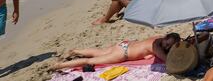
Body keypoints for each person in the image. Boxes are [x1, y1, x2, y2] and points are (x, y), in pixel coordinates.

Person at [53, 33, 181, 70]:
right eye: (168, 46)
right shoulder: (156, 48)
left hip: (124, 44)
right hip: (122, 54)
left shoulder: (159, 37)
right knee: (90, 61)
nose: (166, 47)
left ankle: (75, 51)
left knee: (99, 52)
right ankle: (59, 65)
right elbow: (167, 60)